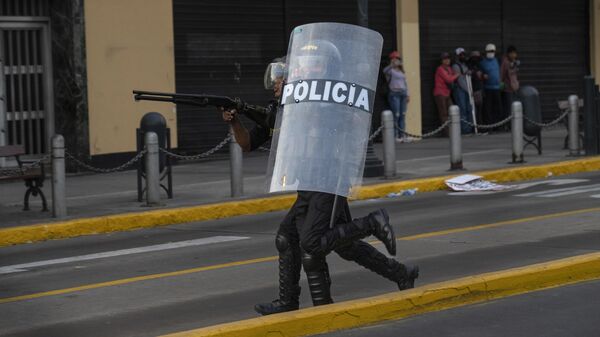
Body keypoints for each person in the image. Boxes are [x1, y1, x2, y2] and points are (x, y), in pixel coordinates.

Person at [223, 51, 419, 316]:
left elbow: (315, 123)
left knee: (311, 243)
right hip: (307, 183)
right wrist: (235, 120)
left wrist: (255, 109)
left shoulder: (318, 104)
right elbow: (246, 143)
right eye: (275, 78)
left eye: (281, 78)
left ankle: (372, 223)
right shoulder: (280, 111)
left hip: (329, 179)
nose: (276, 84)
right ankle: (400, 274)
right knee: (319, 242)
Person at [383, 51, 410, 142]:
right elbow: (384, 71)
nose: (396, 61)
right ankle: (395, 136)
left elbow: (405, 83)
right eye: (394, 59)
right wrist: (391, 65)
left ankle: (402, 135)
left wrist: (408, 94)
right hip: (394, 94)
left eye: (397, 59)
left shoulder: (402, 71)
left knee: (402, 115)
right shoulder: (390, 70)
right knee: (396, 115)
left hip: (403, 93)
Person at [433, 52, 459, 136]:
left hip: (447, 93)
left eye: (448, 58)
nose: (447, 60)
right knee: (443, 114)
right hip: (440, 93)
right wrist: (457, 75)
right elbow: (449, 79)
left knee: (452, 111)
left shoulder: (449, 68)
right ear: (442, 61)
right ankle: (447, 133)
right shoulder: (440, 69)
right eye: (445, 59)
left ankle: (453, 130)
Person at [479, 43, 503, 129]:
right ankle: (489, 126)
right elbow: (479, 74)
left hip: (497, 88)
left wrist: (501, 83)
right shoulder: (482, 62)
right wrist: (483, 76)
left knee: (498, 107)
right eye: (489, 51)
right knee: (488, 108)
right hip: (488, 88)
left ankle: (498, 125)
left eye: (492, 51)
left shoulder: (497, 60)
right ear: (486, 52)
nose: (491, 52)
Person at [451, 47, 473, 134]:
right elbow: (460, 80)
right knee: (462, 109)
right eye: (461, 55)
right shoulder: (455, 66)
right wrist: (468, 90)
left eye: (464, 54)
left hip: (466, 90)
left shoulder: (464, 65)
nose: (463, 56)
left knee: (468, 108)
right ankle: (464, 130)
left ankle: (469, 128)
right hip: (460, 90)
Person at [501, 45, 520, 121]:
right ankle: (508, 124)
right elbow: (501, 74)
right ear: (508, 54)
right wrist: (502, 86)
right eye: (512, 53)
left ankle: (514, 123)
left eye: (515, 53)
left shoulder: (514, 62)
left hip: (515, 88)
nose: (514, 55)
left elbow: (515, 76)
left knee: (515, 107)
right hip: (508, 89)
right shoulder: (505, 63)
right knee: (509, 108)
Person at [467, 50, 484, 127]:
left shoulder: (479, 65)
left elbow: (481, 76)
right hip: (474, 90)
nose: (476, 59)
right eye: (475, 58)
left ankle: (480, 126)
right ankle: (477, 127)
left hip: (479, 89)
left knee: (480, 109)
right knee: (476, 109)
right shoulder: (470, 66)